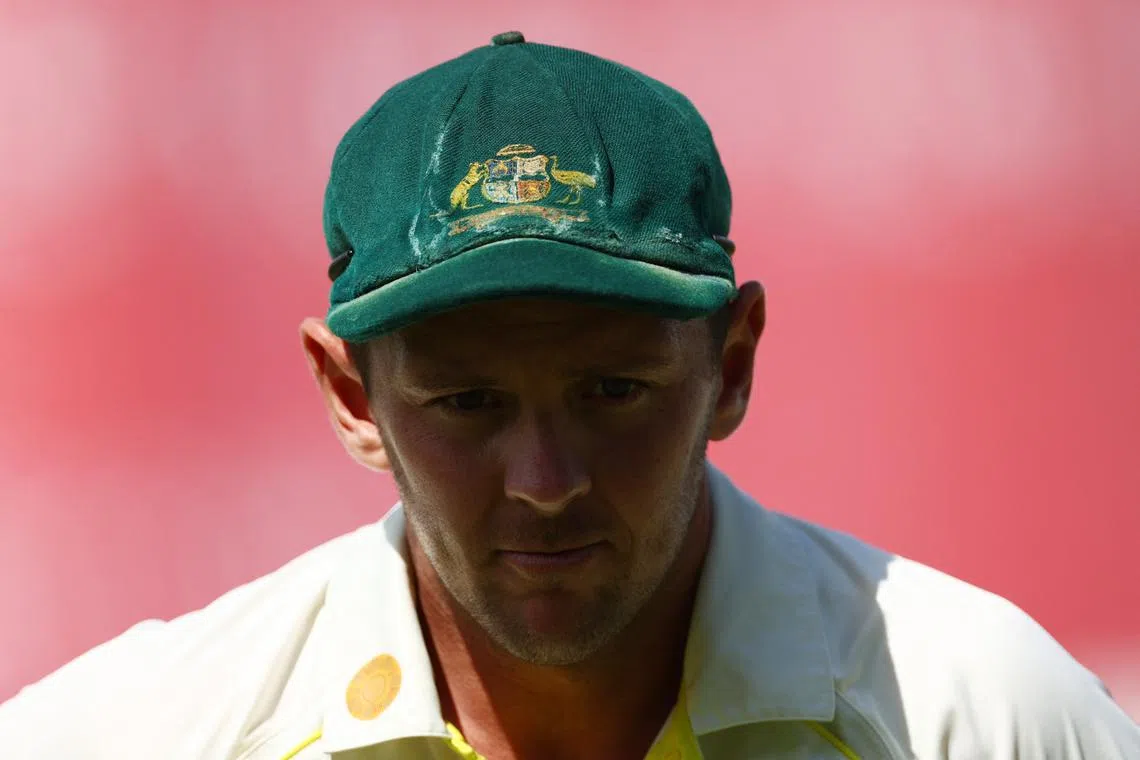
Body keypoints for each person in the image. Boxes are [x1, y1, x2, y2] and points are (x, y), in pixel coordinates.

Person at [1, 30, 1137, 760]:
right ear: (351, 395)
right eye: (469, 404)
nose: (546, 481)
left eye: (612, 390)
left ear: (732, 364)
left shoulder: (985, 715)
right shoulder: (131, 736)